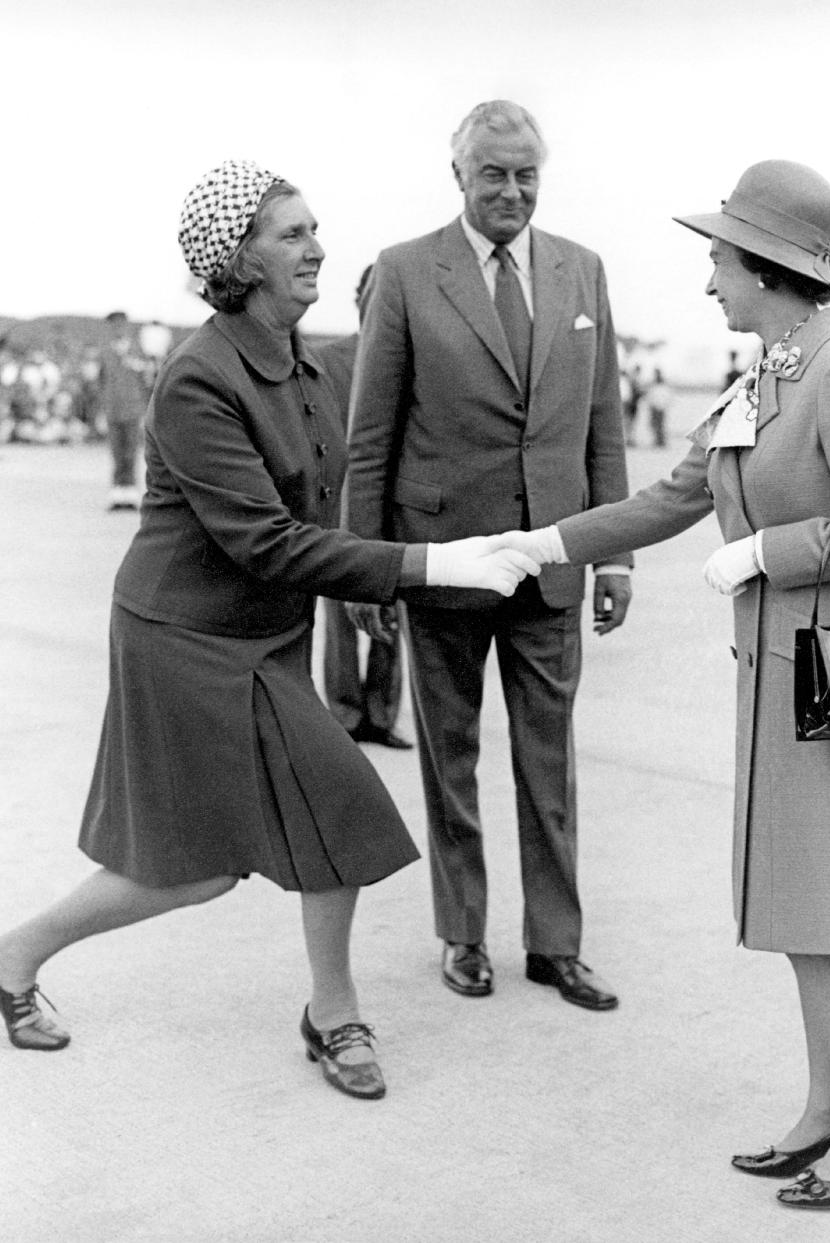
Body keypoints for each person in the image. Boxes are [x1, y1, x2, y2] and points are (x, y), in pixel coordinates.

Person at [0, 160, 537, 1103]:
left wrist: (407, 556)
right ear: (237, 258)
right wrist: (433, 566)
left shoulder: (303, 362)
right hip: (186, 638)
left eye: (315, 228)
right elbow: (269, 542)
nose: (316, 245)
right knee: (200, 869)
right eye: (292, 233)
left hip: (263, 635)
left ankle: (332, 1010)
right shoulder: (198, 380)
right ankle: (15, 957)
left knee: (336, 812)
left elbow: (343, 492)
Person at [500, 161, 830, 1209]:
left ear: (766, 270)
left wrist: (762, 554)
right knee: (797, 904)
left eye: (717, 261)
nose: (707, 282)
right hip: (779, 677)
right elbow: (673, 493)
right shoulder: (771, 371)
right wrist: (537, 542)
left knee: (826, 908)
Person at [345, 100, 632, 1011]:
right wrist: (366, 564)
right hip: (442, 558)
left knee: (551, 762)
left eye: (526, 174)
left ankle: (556, 944)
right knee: (450, 757)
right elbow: (370, 437)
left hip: (552, 556)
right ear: (460, 175)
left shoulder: (582, 272)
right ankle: (462, 934)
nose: (511, 190)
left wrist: (614, 554)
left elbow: (603, 425)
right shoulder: (402, 272)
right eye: (493, 174)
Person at [322, 266, 412, 750]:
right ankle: (343, 712)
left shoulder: (413, 359)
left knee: (392, 611)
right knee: (339, 615)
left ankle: (381, 713)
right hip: (340, 505)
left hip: (397, 507)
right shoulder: (327, 360)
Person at [100, 310, 152, 510]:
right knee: (116, 452)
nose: (117, 328)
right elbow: (101, 381)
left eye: (120, 324)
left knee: (130, 451)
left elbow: (148, 381)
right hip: (112, 408)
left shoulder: (138, 350)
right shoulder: (105, 350)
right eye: (113, 324)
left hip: (133, 408)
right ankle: (117, 494)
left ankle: (130, 493)